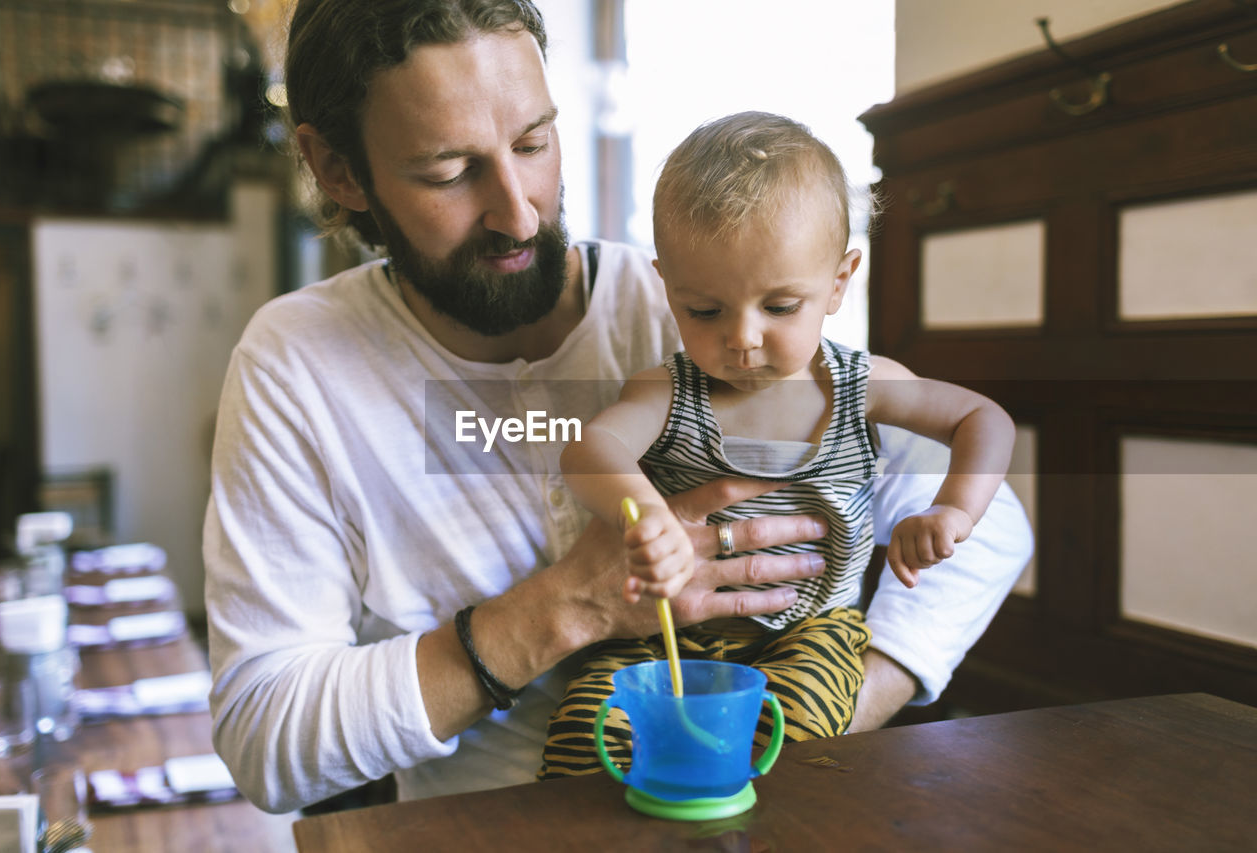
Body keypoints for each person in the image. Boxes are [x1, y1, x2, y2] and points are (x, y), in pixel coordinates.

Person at [203, 0, 1033, 814]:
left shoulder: (702, 309)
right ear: (339, 170)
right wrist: (568, 606)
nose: (519, 209)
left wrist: (815, 712)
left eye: (534, 142)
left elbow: (992, 529)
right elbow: (266, 741)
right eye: (449, 172)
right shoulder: (298, 365)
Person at [539, 112, 1016, 778]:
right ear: (665, 286)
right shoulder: (667, 391)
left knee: (794, 744)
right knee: (588, 731)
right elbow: (589, 450)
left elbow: (982, 418)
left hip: (810, 630)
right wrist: (649, 515)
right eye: (704, 310)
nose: (743, 337)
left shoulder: (863, 385)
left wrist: (952, 511)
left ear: (840, 282)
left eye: (781, 306)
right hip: (666, 633)